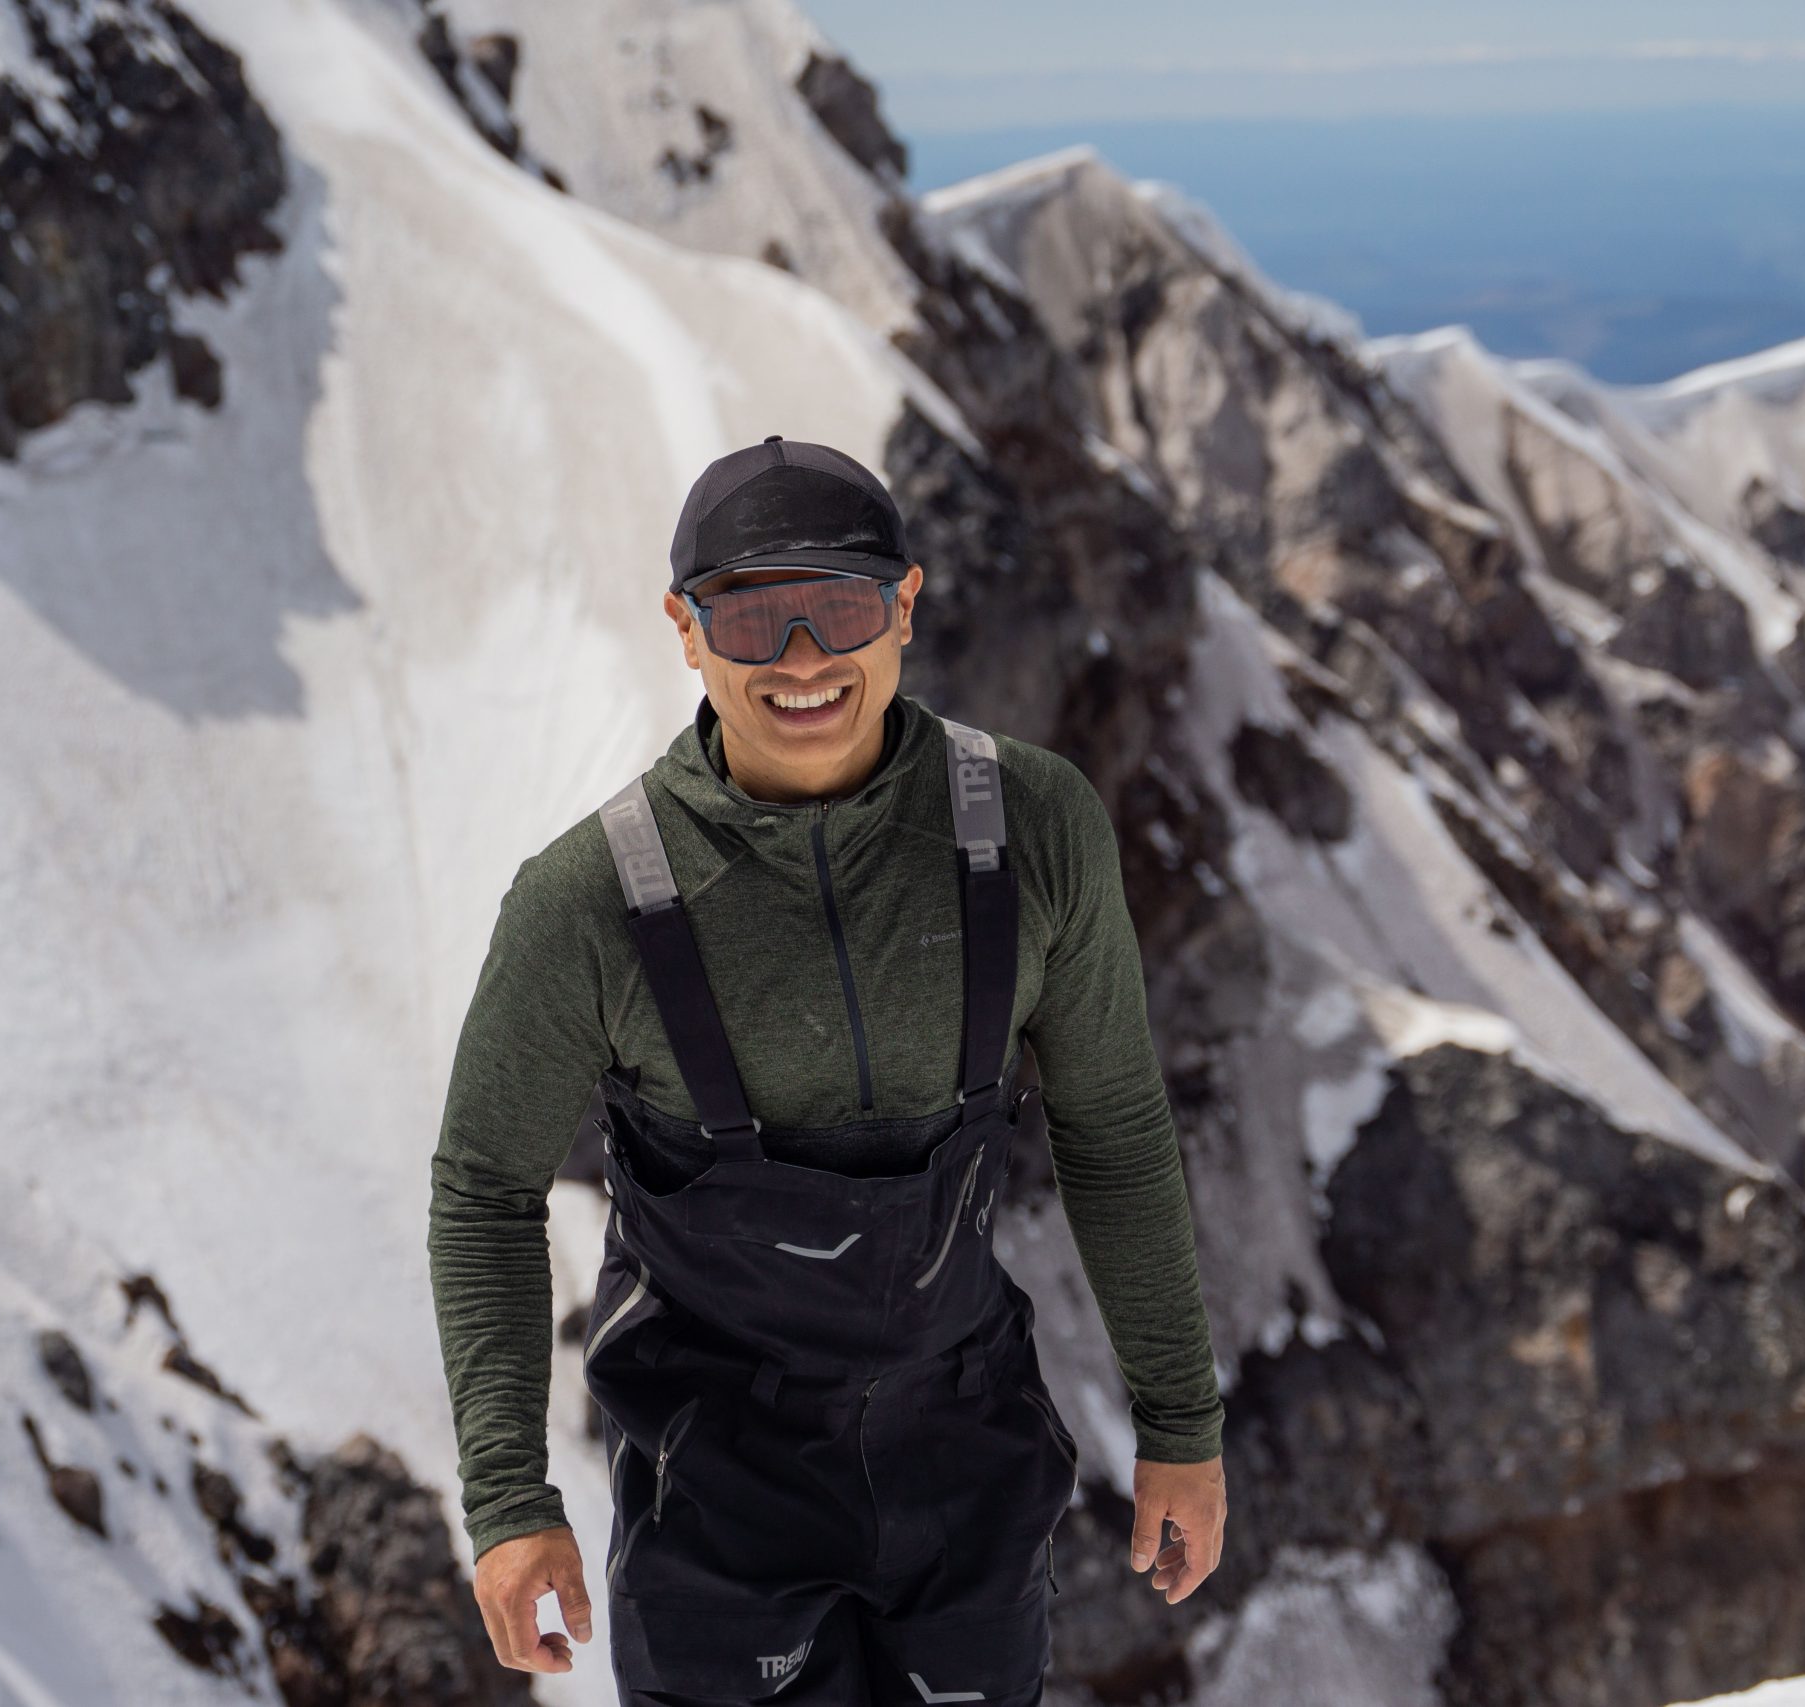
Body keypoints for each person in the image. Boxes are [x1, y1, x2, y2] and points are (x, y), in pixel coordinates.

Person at [427, 434, 1227, 1704]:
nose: (802, 661)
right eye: (751, 618)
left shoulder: (1036, 826)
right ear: (685, 631)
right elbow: (482, 1194)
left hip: (966, 1464)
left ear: (904, 606)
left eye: (840, 607)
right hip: (715, 1502)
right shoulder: (585, 904)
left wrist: (1181, 1423)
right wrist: (509, 1499)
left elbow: (1114, 1129)